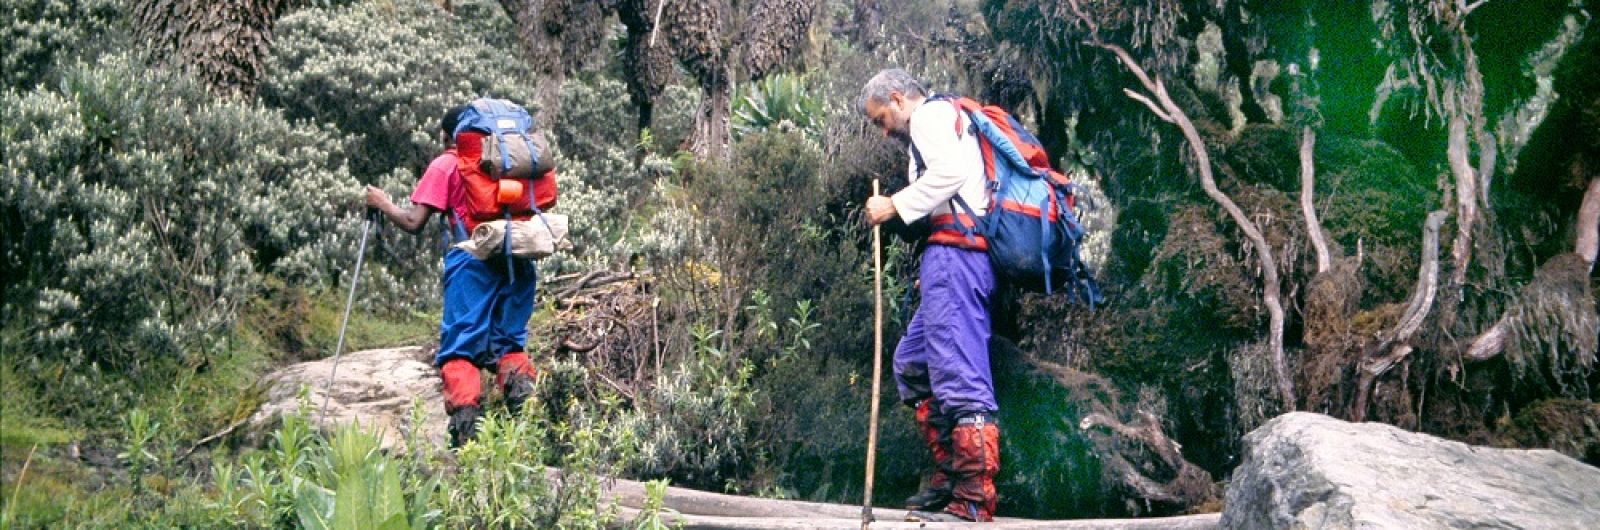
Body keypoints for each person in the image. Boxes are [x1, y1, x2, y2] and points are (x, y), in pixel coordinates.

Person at [860, 68, 1001, 523]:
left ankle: (975, 495)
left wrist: (893, 204)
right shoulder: (942, 119)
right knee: (913, 364)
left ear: (898, 99)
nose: (883, 130)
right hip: (946, 256)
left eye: (881, 118)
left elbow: (951, 174)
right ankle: (948, 477)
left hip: (958, 255)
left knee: (960, 374)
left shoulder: (929, 117)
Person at [364, 105, 540, 448]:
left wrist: (382, 203)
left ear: (449, 135)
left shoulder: (447, 163)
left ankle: (467, 441)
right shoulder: (511, 164)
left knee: (460, 351)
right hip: (519, 257)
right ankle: (525, 431)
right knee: (509, 345)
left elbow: (414, 222)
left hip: (471, 264)